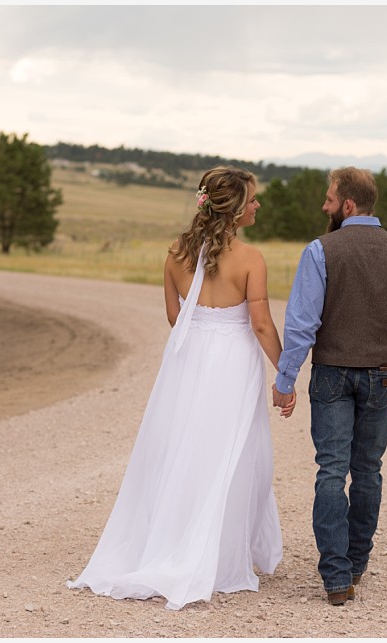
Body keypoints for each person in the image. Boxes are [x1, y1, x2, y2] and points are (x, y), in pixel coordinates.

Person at [68, 166, 295, 610]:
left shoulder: (175, 252)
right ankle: (215, 554)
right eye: (253, 199)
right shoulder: (251, 259)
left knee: (178, 449)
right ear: (234, 209)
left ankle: (166, 540)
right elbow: (262, 323)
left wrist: (205, 333)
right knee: (228, 454)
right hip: (232, 362)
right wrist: (285, 374)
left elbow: (176, 317)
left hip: (187, 360)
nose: (258, 205)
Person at [272, 167, 387, 606]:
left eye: (328, 199)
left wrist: (285, 380)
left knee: (330, 471)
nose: (323, 206)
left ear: (347, 205)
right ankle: (356, 562)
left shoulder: (320, 251)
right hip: (381, 376)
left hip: (331, 376)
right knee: (368, 472)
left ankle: (337, 577)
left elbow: (302, 324)